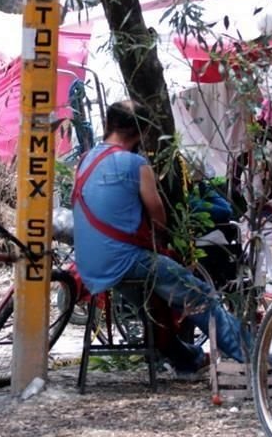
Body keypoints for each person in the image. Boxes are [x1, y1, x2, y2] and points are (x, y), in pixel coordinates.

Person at [71, 100, 249, 371]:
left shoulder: (85, 161)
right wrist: (164, 248)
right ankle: (253, 357)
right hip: (125, 261)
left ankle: (189, 361)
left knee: (155, 309)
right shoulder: (136, 164)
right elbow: (159, 218)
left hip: (90, 266)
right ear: (141, 132)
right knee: (198, 294)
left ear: (108, 125)